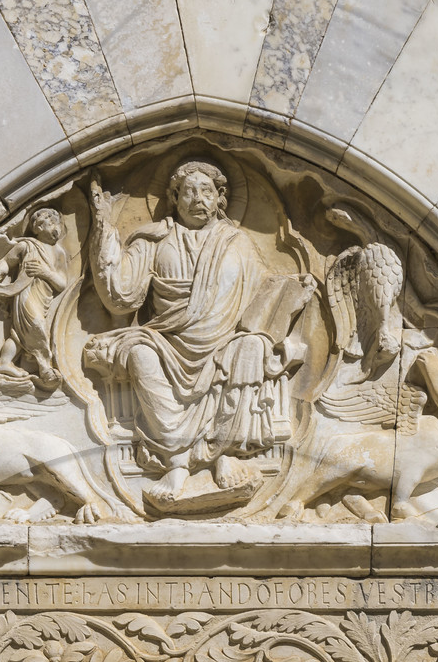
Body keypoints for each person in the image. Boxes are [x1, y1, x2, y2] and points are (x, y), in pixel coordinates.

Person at [83, 158, 316, 509]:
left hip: (225, 342)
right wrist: (102, 226)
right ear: (174, 198)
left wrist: (292, 290)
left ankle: (224, 453)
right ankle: (177, 463)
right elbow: (120, 295)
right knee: (139, 354)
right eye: (188, 192)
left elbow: (262, 290)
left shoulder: (236, 241)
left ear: (220, 198)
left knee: (251, 346)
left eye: (206, 191)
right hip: (166, 340)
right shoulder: (155, 239)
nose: (198, 199)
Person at [0, 205, 71, 389]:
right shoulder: (26, 245)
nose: (56, 228)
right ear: (38, 227)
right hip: (25, 292)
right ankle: (44, 366)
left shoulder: (59, 253)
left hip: (44, 297)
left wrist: (45, 272)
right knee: (36, 325)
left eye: (58, 224)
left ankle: (4, 362)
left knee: (20, 334)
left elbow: (62, 283)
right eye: (51, 223)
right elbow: (7, 261)